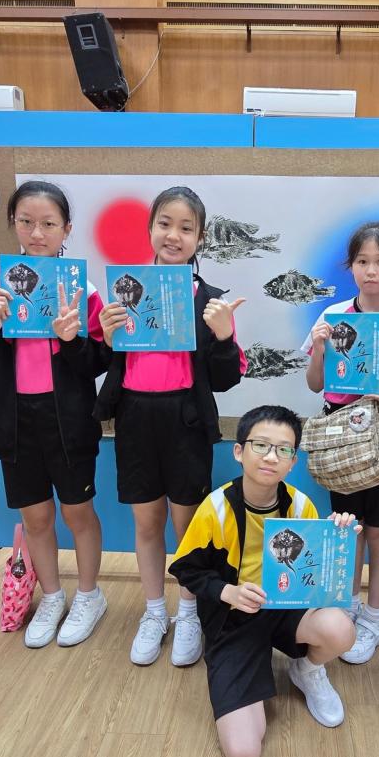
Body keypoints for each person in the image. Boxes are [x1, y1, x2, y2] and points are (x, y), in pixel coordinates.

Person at [96, 185, 246, 668]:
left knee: (187, 524)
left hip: (186, 420)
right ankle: (154, 611)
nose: (173, 235)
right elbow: (102, 361)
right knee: (146, 522)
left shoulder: (211, 301)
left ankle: (188, 612)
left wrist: (223, 336)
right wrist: (107, 338)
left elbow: (224, 379)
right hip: (136, 417)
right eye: (165, 224)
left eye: (186, 228)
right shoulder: (126, 292)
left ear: (200, 238)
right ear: (150, 229)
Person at [168, 405, 357, 757]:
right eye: (261, 445)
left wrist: (338, 537)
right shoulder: (216, 508)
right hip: (234, 620)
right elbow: (186, 568)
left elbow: (316, 576)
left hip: (285, 610)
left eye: (284, 449)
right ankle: (246, 667)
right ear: (239, 451)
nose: (271, 457)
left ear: (293, 462)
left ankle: (307, 670)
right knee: (244, 753)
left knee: (340, 629)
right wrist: (228, 592)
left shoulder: (300, 505)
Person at [0, 180, 107, 647]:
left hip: (69, 420)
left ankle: (89, 595)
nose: (37, 233)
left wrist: (72, 341)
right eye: (26, 221)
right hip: (15, 419)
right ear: (13, 223)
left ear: (66, 228)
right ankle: (51, 596)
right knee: (36, 516)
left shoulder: (82, 288)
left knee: (78, 512)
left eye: (49, 223)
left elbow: (99, 361)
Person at [303, 220, 379, 665]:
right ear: (350, 266)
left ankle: (374, 617)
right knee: (349, 526)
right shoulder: (332, 318)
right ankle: (346, 609)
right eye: (363, 261)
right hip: (342, 435)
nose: (371, 270)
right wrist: (318, 349)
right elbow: (315, 384)